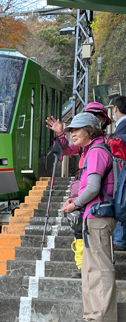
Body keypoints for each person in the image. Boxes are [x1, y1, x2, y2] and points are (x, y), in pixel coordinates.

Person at [62, 112, 117, 322]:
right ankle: (94, 315)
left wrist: (75, 205)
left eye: (77, 130)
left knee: (99, 267)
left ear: (90, 131)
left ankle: (102, 318)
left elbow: (94, 188)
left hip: (98, 216)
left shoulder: (95, 152)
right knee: (90, 267)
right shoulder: (95, 149)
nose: (72, 134)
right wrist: (77, 199)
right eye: (71, 130)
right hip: (95, 215)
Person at [46, 102, 112, 278]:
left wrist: (77, 202)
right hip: (84, 193)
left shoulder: (101, 147)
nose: (94, 119)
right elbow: (67, 149)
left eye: (97, 117)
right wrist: (60, 133)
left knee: (87, 237)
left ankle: (84, 267)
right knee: (78, 231)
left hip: (97, 200)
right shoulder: (88, 146)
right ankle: (81, 266)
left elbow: (95, 185)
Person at [109, 96, 126, 251]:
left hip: (122, 173)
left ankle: (120, 240)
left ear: (116, 109)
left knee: (121, 201)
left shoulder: (123, 126)